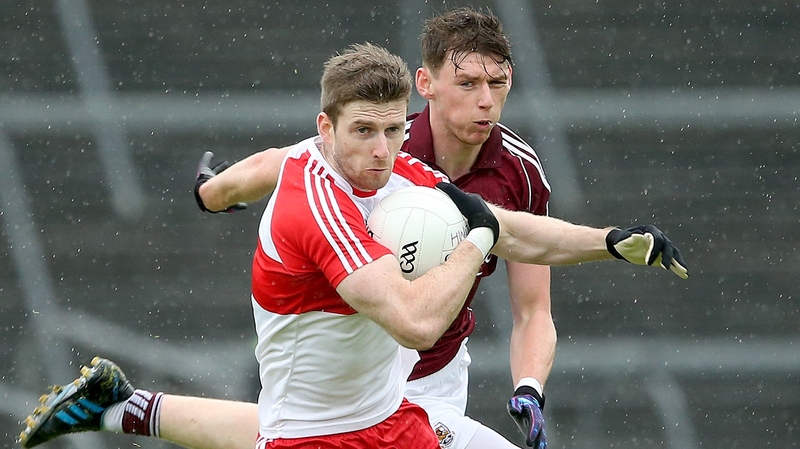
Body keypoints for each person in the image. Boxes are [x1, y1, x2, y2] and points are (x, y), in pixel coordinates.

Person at [20, 15, 688, 449]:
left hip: (401, 395)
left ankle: (124, 408)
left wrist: (607, 241)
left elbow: (518, 239)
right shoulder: (318, 197)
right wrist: (214, 191)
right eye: (364, 130)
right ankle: (124, 409)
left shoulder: (422, 172)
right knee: (291, 424)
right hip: (335, 412)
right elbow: (417, 313)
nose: (382, 148)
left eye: (391, 130)